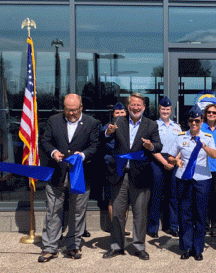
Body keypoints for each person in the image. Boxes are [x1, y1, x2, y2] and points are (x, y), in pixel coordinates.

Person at [38, 94, 100, 262]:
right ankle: (50, 247)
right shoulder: (53, 120)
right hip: (57, 173)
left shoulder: (92, 123)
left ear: (81, 108)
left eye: (74, 110)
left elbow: (95, 146)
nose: (71, 113)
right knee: (53, 211)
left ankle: (73, 246)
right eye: (68, 110)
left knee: (78, 212)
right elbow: (45, 141)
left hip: (80, 175)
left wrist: (83, 154)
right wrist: (53, 152)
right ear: (63, 108)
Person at [103, 93, 162, 260]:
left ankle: (138, 246)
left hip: (141, 175)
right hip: (119, 174)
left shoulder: (151, 125)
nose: (135, 108)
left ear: (144, 107)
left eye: (139, 105)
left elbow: (158, 145)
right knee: (117, 213)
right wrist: (108, 132)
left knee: (140, 213)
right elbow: (104, 139)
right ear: (128, 106)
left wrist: (150, 146)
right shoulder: (118, 121)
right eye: (133, 105)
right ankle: (116, 246)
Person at [168, 105, 216, 261]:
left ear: (201, 121)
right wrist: (176, 161)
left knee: (200, 215)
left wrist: (203, 145)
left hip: (202, 179)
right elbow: (170, 156)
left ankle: (198, 249)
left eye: (197, 121)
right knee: (185, 213)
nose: (194, 124)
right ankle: (186, 247)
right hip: (184, 178)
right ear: (188, 122)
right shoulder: (181, 136)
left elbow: (214, 155)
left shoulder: (208, 136)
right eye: (191, 121)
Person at [147, 96, 181, 238]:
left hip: (173, 160)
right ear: (159, 109)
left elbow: (181, 146)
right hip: (158, 160)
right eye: (163, 109)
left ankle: (172, 226)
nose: (165, 111)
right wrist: (164, 162)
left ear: (171, 110)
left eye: (167, 109)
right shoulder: (153, 125)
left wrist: (174, 161)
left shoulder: (177, 127)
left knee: (173, 195)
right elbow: (152, 148)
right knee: (156, 195)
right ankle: (153, 227)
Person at [101, 102, 130, 234]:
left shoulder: (131, 127)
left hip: (128, 168)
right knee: (113, 198)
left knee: (126, 200)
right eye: (117, 113)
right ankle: (115, 228)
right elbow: (105, 143)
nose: (119, 115)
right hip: (112, 167)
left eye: (122, 112)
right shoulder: (108, 127)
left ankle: (122, 228)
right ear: (113, 114)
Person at [201, 103, 216, 237]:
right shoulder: (200, 127)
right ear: (206, 114)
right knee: (203, 197)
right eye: (209, 112)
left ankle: (215, 227)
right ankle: (204, 225)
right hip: (203, 167)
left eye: (214, 113)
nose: (211, 114)